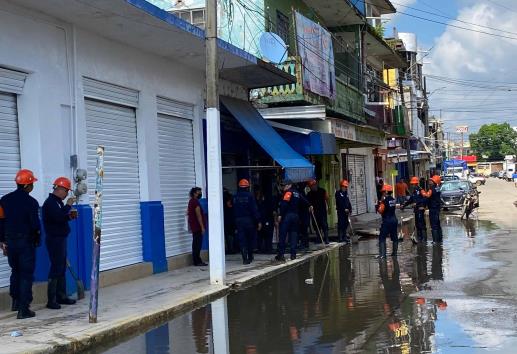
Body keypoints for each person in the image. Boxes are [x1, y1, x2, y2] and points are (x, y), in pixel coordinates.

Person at [0, 169, 41, 319]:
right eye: (32, 184)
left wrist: (2, 241)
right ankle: (23, 309)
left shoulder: (4, 200)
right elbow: (35, 225)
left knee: (15, 271)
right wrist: (36, 240)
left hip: (10, 242)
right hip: (25, 242)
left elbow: (1, 222)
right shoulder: (32, 202)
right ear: (27, 185)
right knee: (26, 274)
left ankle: (15, 302)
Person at [42, 177, 79, 309]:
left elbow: (59, 218)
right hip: (54, 240)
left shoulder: (57, 203)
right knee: (56, 267)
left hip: (60, 238)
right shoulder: (50, 203)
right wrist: (68, 205)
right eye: (66, 191)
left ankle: (61, 296)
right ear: (60, 189)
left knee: (61, 267)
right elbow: (57, 217)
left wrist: (69, 216)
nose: (67, 194)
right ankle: (51, 300)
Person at [276, 182, 311, 261]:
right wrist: (310, 205)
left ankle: (281, 254)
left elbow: (284, 204)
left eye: (284, 185)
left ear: (289, 185)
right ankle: (293, 254)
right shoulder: (297, 193)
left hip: (287, 216)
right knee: (294, 235)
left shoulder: (288, 192)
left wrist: (280, 215)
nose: (283, 187)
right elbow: (304, 201)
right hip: (296, 216)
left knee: (283, 235)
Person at [233, 179, 261, 264]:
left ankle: (245, 259)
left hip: (238, 220)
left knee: (242, 240)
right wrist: (258, 220)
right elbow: (254, 209)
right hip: (249, 220)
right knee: (250, 239)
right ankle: (250, 256)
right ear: (248, 187)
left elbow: (233, 210)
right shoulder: (250, 196)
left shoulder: (235, 197)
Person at [402, 177, 428, 244]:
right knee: (417, 224)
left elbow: (425, 198)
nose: (412, 185)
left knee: (421, 224)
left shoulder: (421, 190)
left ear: (416, 184)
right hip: (416, 210)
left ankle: (424, 240)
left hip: (420, 209)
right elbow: (411, 200)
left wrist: (421, 205)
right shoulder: (414, 191)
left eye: (413, 184)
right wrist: (404, 205)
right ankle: (419, 239)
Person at [377, 184, 398, 259]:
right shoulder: (393, 200)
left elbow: (380, 210)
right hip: (394, 220)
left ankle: (382, 255)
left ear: (386, 192)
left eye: (383, 192)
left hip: (387, 221)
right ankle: (395, 253)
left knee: (382, 237)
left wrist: (380, 203)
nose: (382, 193)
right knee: (395, 237)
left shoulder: (384, 201)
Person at [187, 187, 207, 266]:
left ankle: (197, 260)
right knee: (197, 244)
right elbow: (198, 215)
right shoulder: (195, 202)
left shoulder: (191, 201)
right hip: (197, 227)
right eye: (199, 192)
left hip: (194, 226)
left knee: (195, 243)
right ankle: (197, 261)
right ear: (195, 193)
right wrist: (202, 227)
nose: (200, 194)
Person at [307, 179, 329, 244]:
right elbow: (308, 203)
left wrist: (328, 207)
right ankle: (319, 238)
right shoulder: (309, 194)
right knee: (316, 226)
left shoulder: (322, 191)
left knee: (324, 225)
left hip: (322, 212)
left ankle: (326, 239)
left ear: (316, 184)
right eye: (311, 186)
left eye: (313, 185)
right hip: (314, 212)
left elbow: (327, 199)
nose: (313, 187)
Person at [422, 175, 443, 243]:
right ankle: (440, 239)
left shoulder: (431, 189)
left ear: (434, 182)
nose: (429, 181)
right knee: (437, 224)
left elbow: (427, 196)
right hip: (437, 208)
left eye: (431, 180)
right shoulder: (438, 188)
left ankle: (435, 241)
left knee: (433, 225)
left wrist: (423, 193)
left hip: (433, 208)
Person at [255, 187, 274, 254]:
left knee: (261, 236)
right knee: (267, 236)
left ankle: (262, 248)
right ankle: (267, 249)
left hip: (263, 221)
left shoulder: (259, 204)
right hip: (267, 221)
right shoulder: (265, 203)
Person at [335, 179, 352, 243]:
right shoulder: (338, 193)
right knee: (341, 224)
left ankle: (344, 237)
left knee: (346, 224)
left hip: (346, 212)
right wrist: (344, 208)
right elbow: (339, 202)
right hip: (341, 211)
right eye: (344, 186)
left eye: (346, 187)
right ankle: (340, 237)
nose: (345, 188)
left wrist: (350, 209)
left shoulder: (346, 193)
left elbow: (348, 202)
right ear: (341, 186)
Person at [223, 187, 237, 254]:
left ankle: (230, 248)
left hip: (226, 218)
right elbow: (229, 205)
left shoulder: (222, 197)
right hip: (230, 219)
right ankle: (231, 249)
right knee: (230, 234)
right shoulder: (228, 197)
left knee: (228, 234)